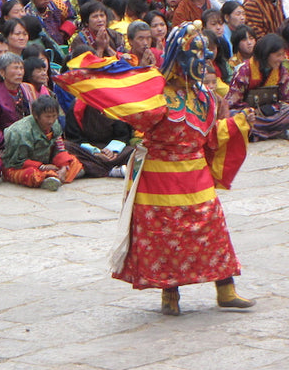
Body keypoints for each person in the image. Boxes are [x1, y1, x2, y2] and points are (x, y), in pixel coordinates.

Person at [56, 23, 256, 316]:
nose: (201, 63)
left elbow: (210, 137)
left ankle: (225, 290)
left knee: (213, 231)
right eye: (195, 55)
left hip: (196, 176)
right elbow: (124, 102)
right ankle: (169, 294)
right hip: (159, 180)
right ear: (179, 56)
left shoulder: (206, 98)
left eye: (205, 56)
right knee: (165, 239)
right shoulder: (156, 91)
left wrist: (239, 124)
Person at [227, 33, 289, 141]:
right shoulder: (245, 70)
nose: (281, 59)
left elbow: (285, 100)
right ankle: (268, 132)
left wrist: (272, 108)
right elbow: (232, 102)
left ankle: (256, 133)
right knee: (234, 117)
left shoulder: (281, 71)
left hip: (271, 114)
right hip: (250, 115)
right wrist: (252, 111)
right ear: (266, 54)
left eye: (282, 55)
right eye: (278, 55)